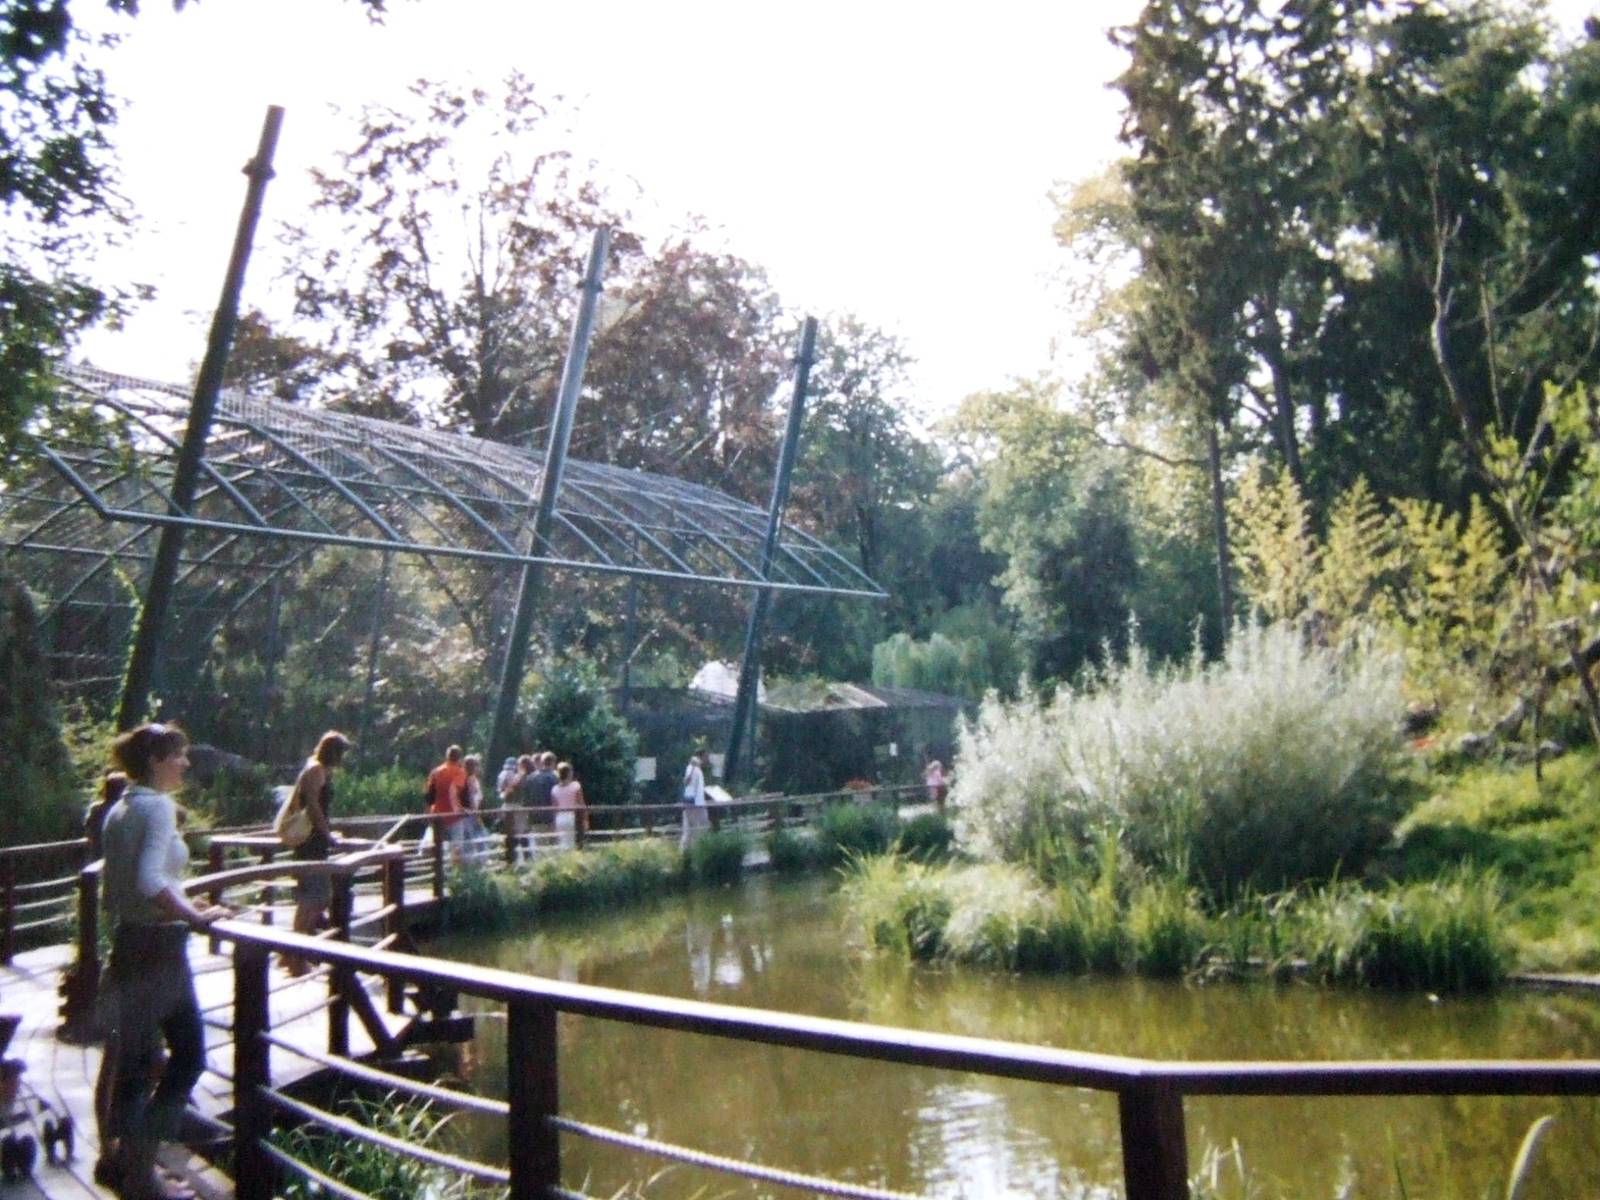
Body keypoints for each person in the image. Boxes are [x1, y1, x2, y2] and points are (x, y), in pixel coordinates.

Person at [96, 722, 227, 1200]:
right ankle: (139, 1165)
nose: (186, 763)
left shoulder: (121, 807)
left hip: (129, 944)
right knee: (189, 1055)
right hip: (160, 950)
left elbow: (130, 885)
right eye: (179, 754)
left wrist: (194, 904)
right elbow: (152, 880)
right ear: (155, 760)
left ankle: (131, 1168)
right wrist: (194, 916)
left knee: (133, 1063)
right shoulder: (159, 808)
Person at [284, 731, 350, 977]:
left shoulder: (319, 770)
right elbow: (312, 805)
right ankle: (294, 958)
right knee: (312, 898)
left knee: (315, 898)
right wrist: (327, 833)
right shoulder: (316, 770)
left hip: (316, 840)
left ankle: (292, 955)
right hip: (311, 842)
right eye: (341, 753)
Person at [426, 744, 467, 859]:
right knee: (457, 845)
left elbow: (429, 795)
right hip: (453, 815)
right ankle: (456, 871)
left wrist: (429, 812)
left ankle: (436, 870)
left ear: (447, 757)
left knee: (437, 845)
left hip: (437, 813)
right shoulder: (460, 772)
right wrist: (459, 809)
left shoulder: (435, 772)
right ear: (460, 758)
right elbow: (454, 791)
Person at [84, 770, 128, 860]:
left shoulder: (95, 809)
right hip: (118, 860)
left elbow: (88, 832)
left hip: (97, 857)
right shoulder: (124, 810)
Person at [520, 752, 558, 852]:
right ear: (553, 762)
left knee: (540, 848)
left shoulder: (530, 778)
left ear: (542, 762)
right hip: (551, 818)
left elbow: (525, 802)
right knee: (555, 847)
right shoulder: (555, 778)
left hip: (535, 818)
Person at [550, 761, 587, 850]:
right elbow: (581, 803)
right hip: (573, 816)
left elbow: (554, 807)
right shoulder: (576, 786)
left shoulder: (554, 789)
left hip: (560, 818)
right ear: (569, 773)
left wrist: (554, 822)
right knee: (574, 843)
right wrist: (585, 819)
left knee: (562, 843)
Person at [680, 748, 710, 850]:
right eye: (705, 756)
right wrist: (693, 767)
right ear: (700, 756)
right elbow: (686, 782)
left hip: (699, 803)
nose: (707, 759)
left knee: (699, 829)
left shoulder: (699, 770)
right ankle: (689, 853)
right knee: (692, 830)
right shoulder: (691, 767)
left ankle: (694, 851)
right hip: (693, 803)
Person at [459, 754, 487, 860]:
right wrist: (475, 812)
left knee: (478, 837)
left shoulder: (473, 779)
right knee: (471, 839)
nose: (477, 768)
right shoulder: (467, 780)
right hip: (468, 813)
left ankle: (479, 861)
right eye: (476, 766)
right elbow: (471, 797)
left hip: (472, 813)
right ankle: (473, 863)